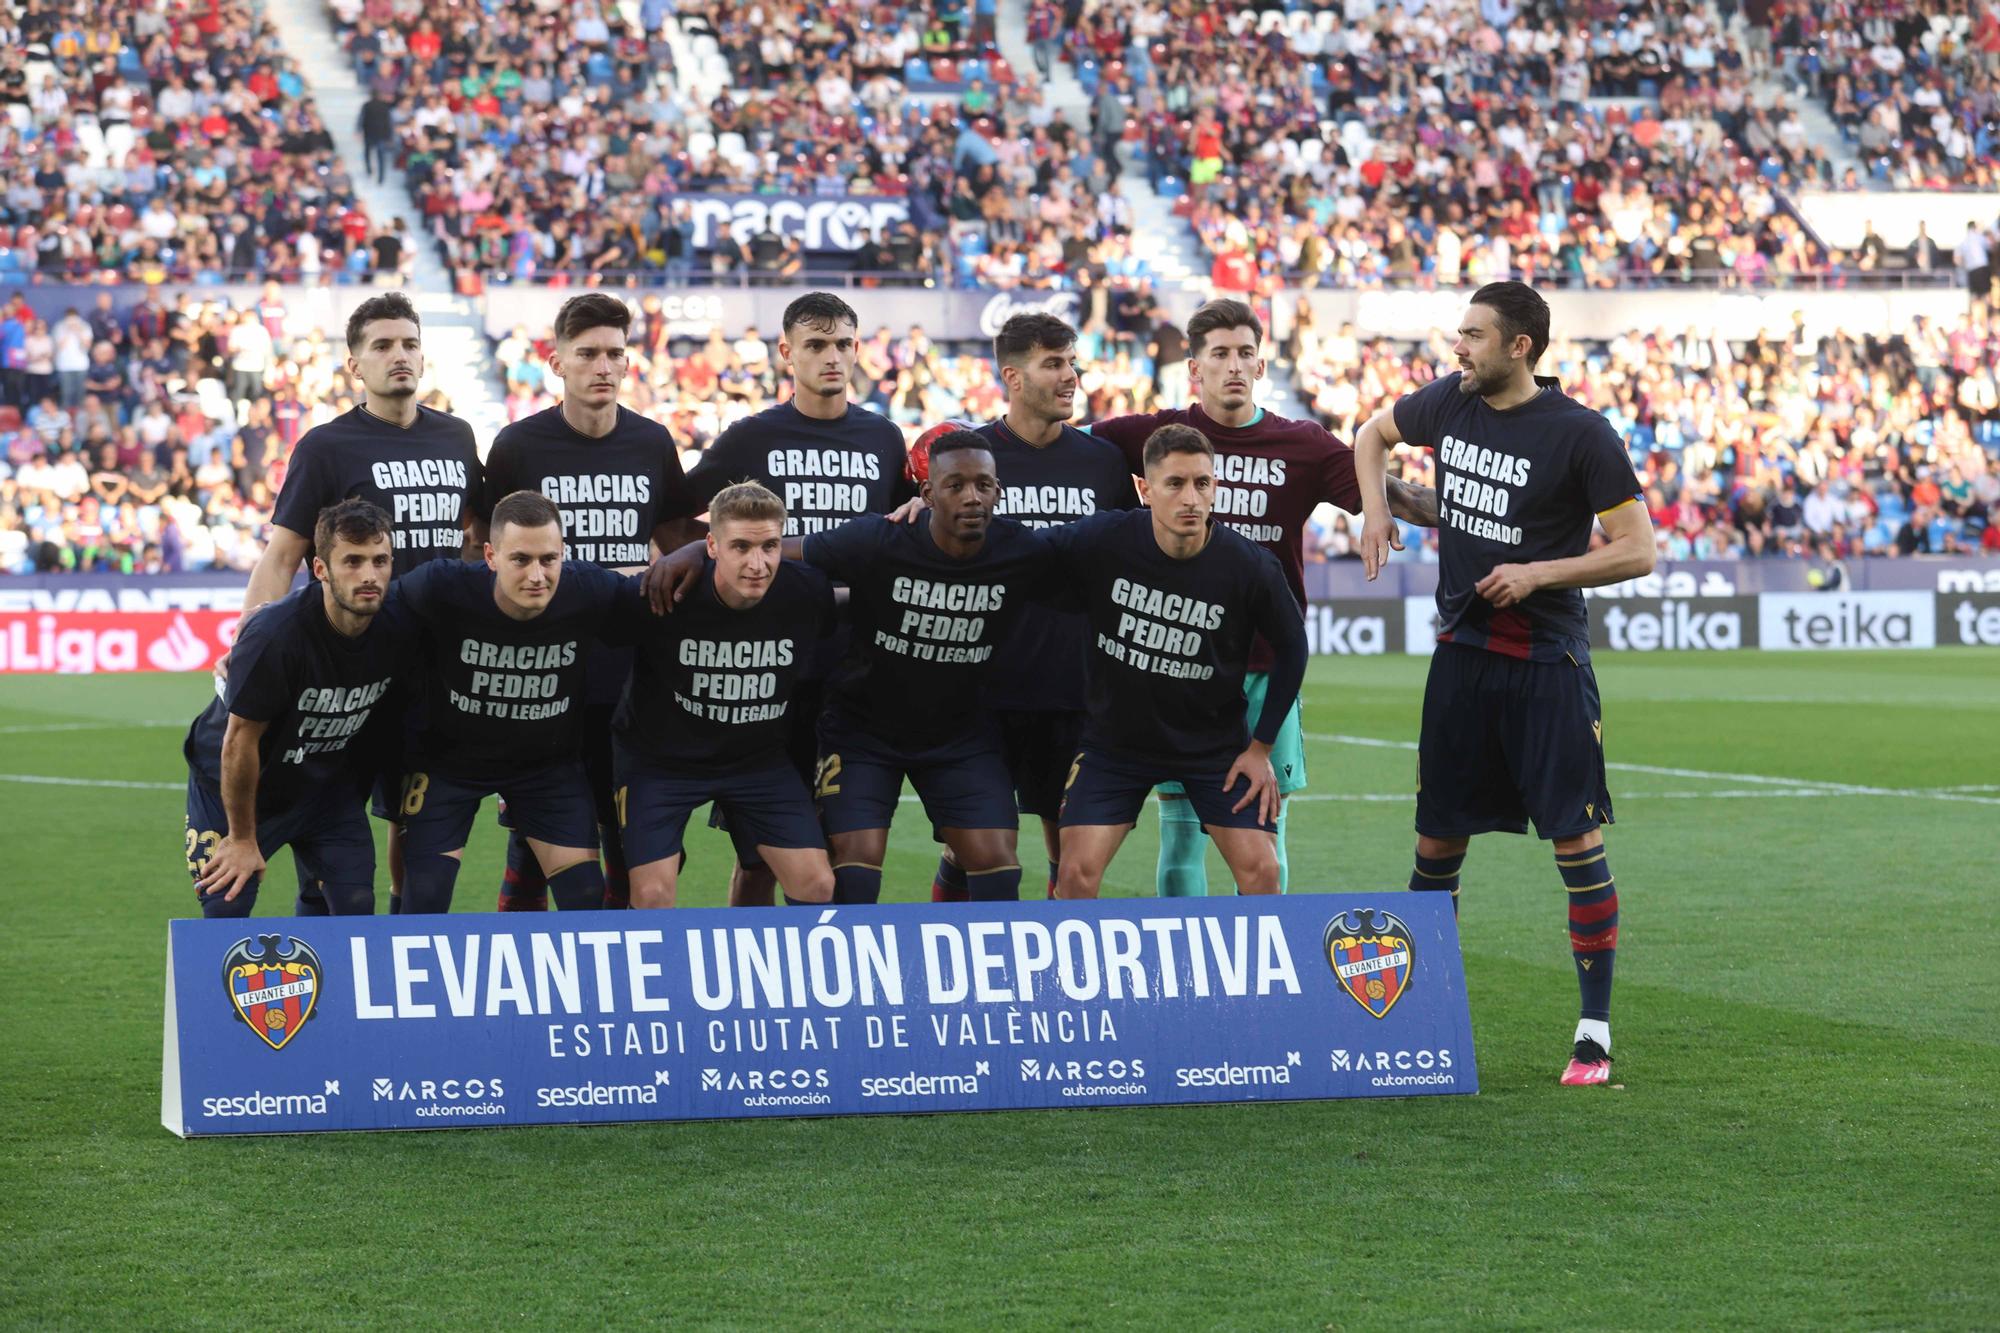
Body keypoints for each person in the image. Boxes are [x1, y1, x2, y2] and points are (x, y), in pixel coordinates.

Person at [1352, 281, 1656, 1088]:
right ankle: (1417, 1020)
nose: (1459, 347)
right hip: (1461, 658)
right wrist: (1377, 510)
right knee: (1435, 844)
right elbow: (1370, 435)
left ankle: (1593, 1032)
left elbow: (1638, 550)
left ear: (1520, 345)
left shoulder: (1582, 434)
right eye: (1460, 332)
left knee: (1575, 842)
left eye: (1475, 335)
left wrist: (1539, 573)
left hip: (1547, 666)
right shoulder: (1450, 403)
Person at [1090, 298, 1438, 898]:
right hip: (1176, 667)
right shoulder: (1151, 436)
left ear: (1260, 366)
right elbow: (1052, 458)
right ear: (1194, 369)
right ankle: (1190, 974)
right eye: (1219, 354)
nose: (1233, 365)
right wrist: (924, 492)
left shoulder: (1301, 443)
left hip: (1263, 669)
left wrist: (1500, 512)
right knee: (1181, 835)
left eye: (1245, 353)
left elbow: (1399, 494)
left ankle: (1266, 979)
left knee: (1266, 833)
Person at [649, 433, 1050, 904]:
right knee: (854, 874)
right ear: (926, 494)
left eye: (983, 485)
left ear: (998, 491)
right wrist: (701, 549)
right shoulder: (877, 539)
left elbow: (1097, 552)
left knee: (999, 872)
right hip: (864, 732)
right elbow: (777, 548)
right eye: (955, 484)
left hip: (960, 736)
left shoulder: (1022, 549)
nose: (971, 497)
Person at [661, 292, 915, 907]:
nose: (833, 357)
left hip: (861, 666)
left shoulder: (882, 436)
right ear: (786, 352)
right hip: (770, 670)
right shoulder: (753, 436)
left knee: (845, 851)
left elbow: (907, 530)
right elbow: (674, 521)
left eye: (844, 344)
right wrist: (706, 558)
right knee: (760, 858)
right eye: (816, 345)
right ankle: (752, 985)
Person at [235, 291, 483, 915]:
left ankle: (400, 956)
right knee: (330, 822)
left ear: (423, 356)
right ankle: (325, 961)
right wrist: (247, 643)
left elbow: (480, 541)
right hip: (353, 671)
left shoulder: (457, 437)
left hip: (438, 670)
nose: (398, 356)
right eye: (381, 346)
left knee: (415, 828)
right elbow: (283, 555)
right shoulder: (327, 446)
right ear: (355, 366)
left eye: (408, 344)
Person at [478, 292, 691, 913]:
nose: (603, 366)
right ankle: (524, 993)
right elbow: (490, 559)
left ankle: (622, 985)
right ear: (557, 363)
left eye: (614, 355)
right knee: (535, 844)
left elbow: (677, 546)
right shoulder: (519, 446)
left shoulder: (652, 443)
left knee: (628, 839)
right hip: (543, 674)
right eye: (588, 354)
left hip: (629, 673)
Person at [929, 312, 1139, 902]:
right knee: (973, 849)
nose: (1071, 376)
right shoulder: (969, 459)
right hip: (980, 691)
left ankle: (1054, 984)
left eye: (1073, 362)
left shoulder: (1102, 463)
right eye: (1054, 364)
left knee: (1069, 856)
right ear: (1013, 377)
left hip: (1076, 688)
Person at [1046, 425, 1307, 898]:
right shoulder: (1104, 538)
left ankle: (1251, 972)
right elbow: (1023, 552)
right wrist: (927, 513)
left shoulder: (1249, 565)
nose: (1191, 498)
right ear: (1144, 489)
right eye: (1175, 484)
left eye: (1202, 484)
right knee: (1075, 873)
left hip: (1213, 750)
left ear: (1215, 488)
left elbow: (1294, 648)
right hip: (1113, 746)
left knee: (1263, 872)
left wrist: (1261, 748)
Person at [392, 490, 639, 914]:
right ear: (490, 555)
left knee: (584, 898)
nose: (537, 575)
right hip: (449, 766)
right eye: (520, 559)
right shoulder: (441, 586)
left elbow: (665, 593)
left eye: (549, 559)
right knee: (425, 896)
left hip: (547, 768)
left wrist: (686, 555)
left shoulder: (589, 589)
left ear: (564, 554)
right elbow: (368, 621)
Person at [614, 483, 837, 908]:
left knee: (817, 885)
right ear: (712, 545)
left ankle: (769, 972)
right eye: (741, 547)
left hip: (756, 761)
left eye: (770, 546)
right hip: (660, 762)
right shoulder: (665, 592)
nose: (758, 563)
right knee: (652, 896)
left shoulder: (806, 591)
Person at [182, 500, 404, 917]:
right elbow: (238, 741)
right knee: (226, 908)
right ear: (320, 569)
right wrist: (243, 839)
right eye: (352, 561)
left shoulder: (401, 623)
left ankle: (324, 978)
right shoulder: (276, 636)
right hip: (235, 786)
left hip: (323, 786)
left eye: (380, 560)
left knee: (354, 907)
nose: (369, 575)